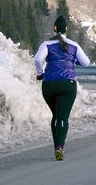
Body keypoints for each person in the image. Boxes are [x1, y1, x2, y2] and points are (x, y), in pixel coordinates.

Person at [33, 15, 91, 160]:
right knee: (63, 117)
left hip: (49, 84)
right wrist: (73, 61)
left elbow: (38, 59)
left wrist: (40, 74)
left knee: (56, 115)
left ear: (54, 29)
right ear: (66, 29)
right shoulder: (74, 45)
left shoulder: (46, 44)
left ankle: (56, 145)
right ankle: (60, 147)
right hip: (67, 84)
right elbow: (86, 63)